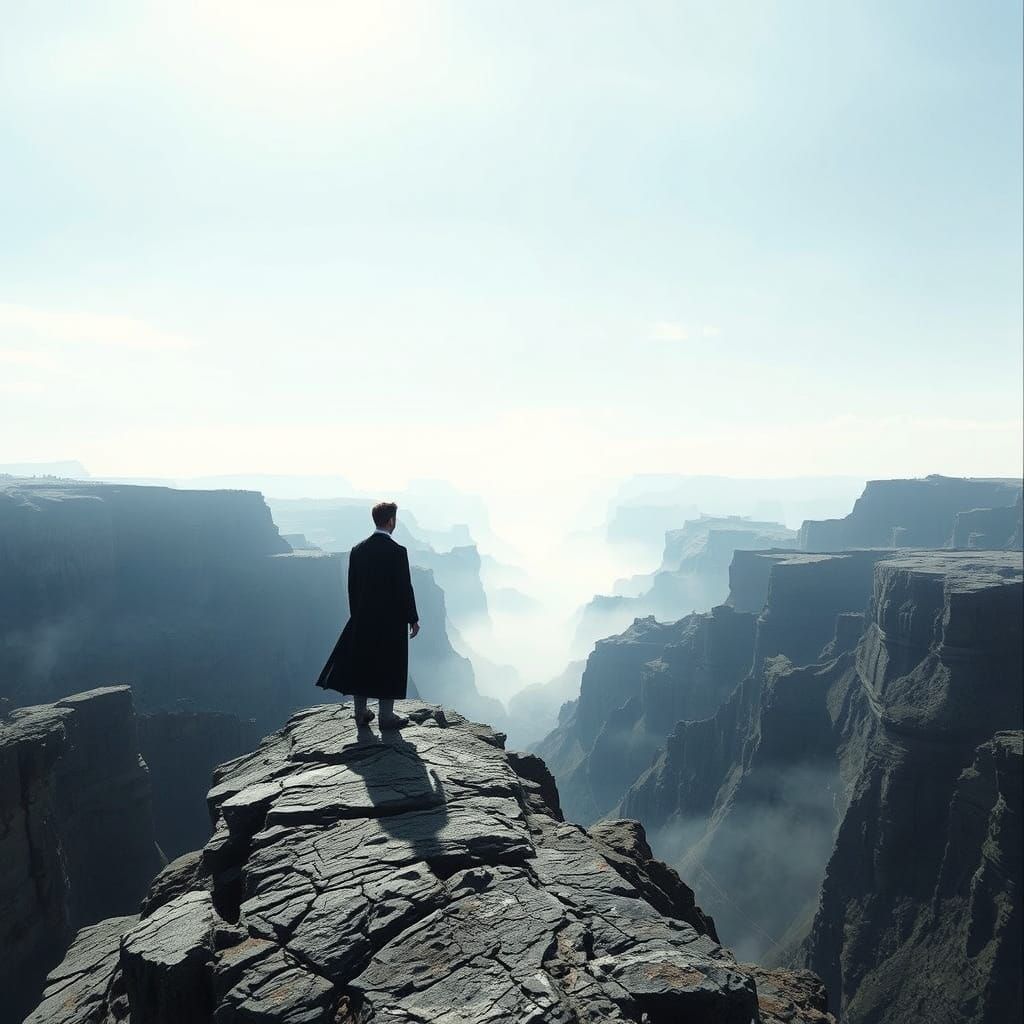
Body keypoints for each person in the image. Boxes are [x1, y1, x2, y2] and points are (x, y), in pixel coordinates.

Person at [315, 501, 420, 729]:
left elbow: (352, 587)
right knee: (390, 666)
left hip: (363, 619)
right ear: (391, 521)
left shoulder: (358, 550)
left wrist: (358, 615)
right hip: (391, 622)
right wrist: (412, 618)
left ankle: (360, 712)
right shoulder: (398, 552)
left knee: (362, 664)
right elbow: (404, 588)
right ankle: (386, 716)